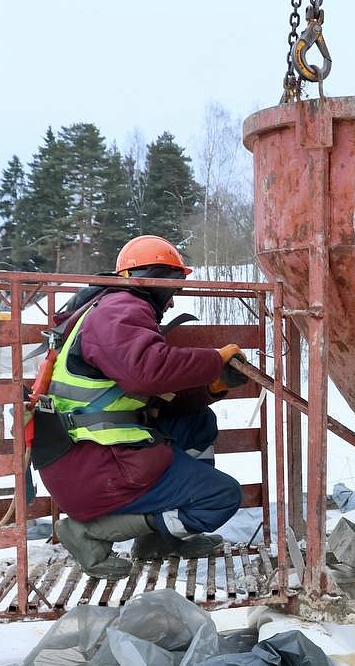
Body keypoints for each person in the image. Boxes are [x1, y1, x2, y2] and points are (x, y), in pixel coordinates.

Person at [30, 235, 246, 579]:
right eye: (172, 289)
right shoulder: (121, 308)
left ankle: (158, 539)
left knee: (196, 420)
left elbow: (153, 394)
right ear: (154, 278)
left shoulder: (110, 308)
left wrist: (213, 384)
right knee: (221, 498)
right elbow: (144, 372)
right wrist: (213, 361)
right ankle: (91, 532)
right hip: (97, 466)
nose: (172, 303)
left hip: (88, 458)